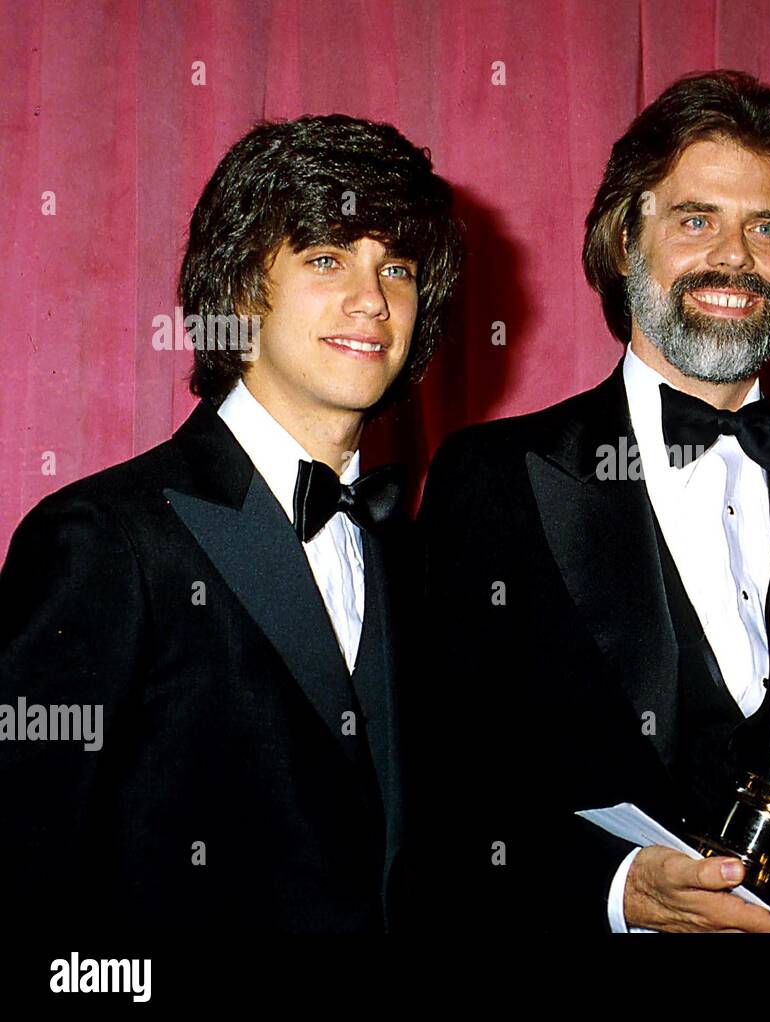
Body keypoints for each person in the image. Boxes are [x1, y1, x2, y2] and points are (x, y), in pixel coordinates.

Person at [420, 70, 770, 933]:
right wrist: (623, 887)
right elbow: (439, 782)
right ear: (627, 239)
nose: (735, 258)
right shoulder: (492, 475)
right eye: (696, 219)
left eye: (767, 228)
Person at [0, 114, 463, 933]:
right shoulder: (104, 539)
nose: (372, 299)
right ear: (242, 289)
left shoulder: (412, 552)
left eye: (396, 267)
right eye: (327, 259)